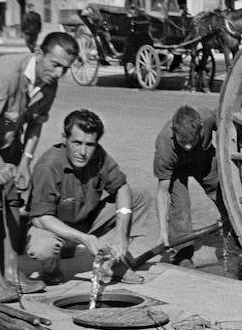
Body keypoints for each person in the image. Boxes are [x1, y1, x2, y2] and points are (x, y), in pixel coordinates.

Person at [0, 31, 79, 301]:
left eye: (65, 69)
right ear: (39, 54)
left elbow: (35, 124)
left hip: (7, 142)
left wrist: (25, 163)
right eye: (55, 64)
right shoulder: (6, 73)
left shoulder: (49, 84)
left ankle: (11, 274)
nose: (58, 73)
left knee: (11, 203)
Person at [23, 109, 153, 286]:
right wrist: (84, 239)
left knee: (139, 197)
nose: (83, 152)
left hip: (87, 221)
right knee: (43, 248)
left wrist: (121, 234)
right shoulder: (48, 166)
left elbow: (121, 187)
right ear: (64, 138)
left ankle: (111, 263)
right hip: (54, 228)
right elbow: (41, 218)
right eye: (77, 143)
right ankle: (51, 270)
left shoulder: (99, 156)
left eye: (89, 144)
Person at [153, 105, 240, 274]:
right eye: (182, 142)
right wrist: (163, 232)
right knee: (181, 207)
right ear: (174, 131)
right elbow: (162, 193)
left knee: (225, 197)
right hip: (177, 169)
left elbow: (227, 128)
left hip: (204, 159)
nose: (187, 147)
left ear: (201, 127)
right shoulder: (164, 145)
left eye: (191, 141)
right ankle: (182, 254)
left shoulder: (207, 118)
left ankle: (238, 239)